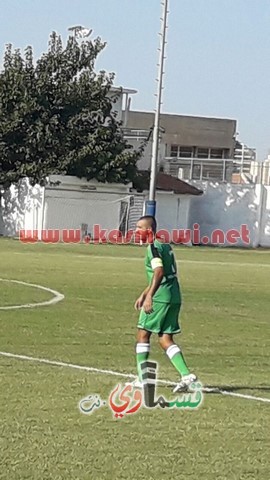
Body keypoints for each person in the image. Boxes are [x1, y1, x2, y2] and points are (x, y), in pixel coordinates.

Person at [133, 215, 196, 393]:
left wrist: (150, 296)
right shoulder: (165, 245)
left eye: (139, 228)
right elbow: (164, 274)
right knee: (165, 338)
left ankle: (143, 379)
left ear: (149, 231)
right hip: (174, 295)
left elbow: (159, 272)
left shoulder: (153, 248)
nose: (136, 231)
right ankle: (186, 376)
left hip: (160, 298)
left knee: (143, 334)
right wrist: (144, 293)